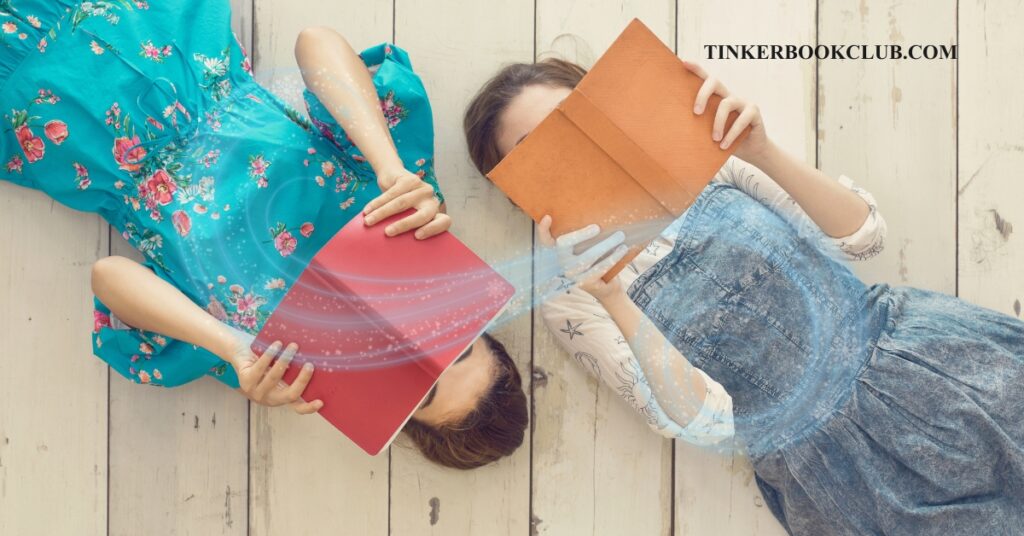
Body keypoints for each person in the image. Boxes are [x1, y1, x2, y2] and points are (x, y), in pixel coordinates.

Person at [463, 57, 1024, 533]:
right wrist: (612, 298)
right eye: (535, 147)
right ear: (515, 183)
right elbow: (702, 421)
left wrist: (762, 151)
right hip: (831, 466)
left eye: (573, 119)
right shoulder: (571, 294)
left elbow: (864, 236)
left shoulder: (705, 163)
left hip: (926, 364)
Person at [1, 0, 526, 469]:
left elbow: (107, 276)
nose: (423, 355)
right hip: (164, 37)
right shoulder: (408, 215)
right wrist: (389, 167)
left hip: (69, 120)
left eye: (424, 392)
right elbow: (314, 41)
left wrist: (232, 347)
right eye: (457, 351)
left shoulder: (272, 365)